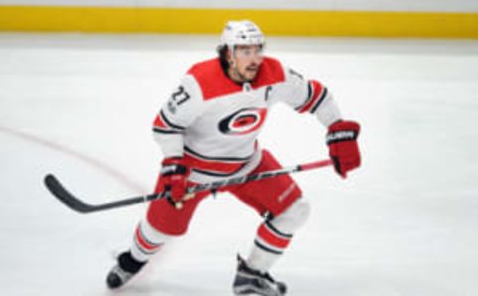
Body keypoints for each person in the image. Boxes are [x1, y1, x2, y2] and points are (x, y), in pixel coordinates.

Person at [106, 20, 361, 296]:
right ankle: (131, 260)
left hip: (246, 165)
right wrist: (173, 167)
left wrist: (338, 130)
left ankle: (251, 274)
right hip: (195, 170)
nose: (254, 59)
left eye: (257, 50)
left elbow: (317, 96)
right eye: (245, 51)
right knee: (159, 231)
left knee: (294, 210)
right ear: (229, 53)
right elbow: (165, 126)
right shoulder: (199, 82)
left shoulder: (275, 74)